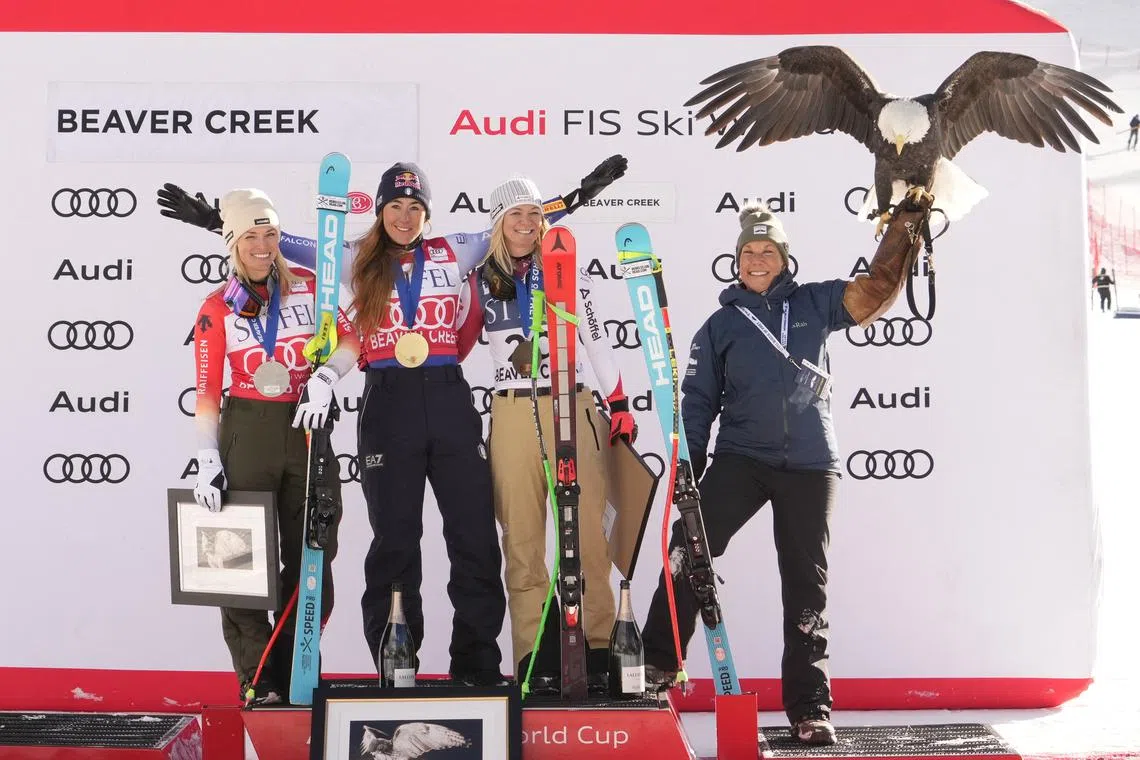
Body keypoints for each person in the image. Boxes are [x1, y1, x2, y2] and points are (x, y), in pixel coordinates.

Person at [159, 156, 627, 686]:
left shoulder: (455, 251)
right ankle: (395, 657)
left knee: (472, 536)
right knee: (395, 540)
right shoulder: (356, 255)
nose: (405, 216)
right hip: (388, 401)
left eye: (415, 206)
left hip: (448, 398)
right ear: (380, 211)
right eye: (395, 207)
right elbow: (277, 243)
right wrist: (212, 222)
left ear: (427, 212)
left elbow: (517, 221)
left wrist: (579, 193)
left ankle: (476, 662)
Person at [639, 193, 934, 745]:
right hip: (742, 458)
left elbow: (872, 293)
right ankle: (657, 669)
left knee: (806, 585)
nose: (757, 259)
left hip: (810, 464)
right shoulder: (721, 324)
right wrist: (689, 466)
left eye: (767, 250)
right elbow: (699, 400)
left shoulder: (818, 302)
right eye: (749, 250)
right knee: (688, 548)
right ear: (736, 258)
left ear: (784, 257)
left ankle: (809, 706)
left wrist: (902, 231)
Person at [465, 175, 638, 694]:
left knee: (587, 533)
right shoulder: (477, 279)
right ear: (497, 222)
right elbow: (455, 340)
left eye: (534, 215)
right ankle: (533, 653)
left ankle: (601, 646)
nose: (525, 224)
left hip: (573, 400)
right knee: (521, 537)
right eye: (514, 214)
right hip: (513, 409)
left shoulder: (566, 269)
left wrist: (620, 401)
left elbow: (597, 339)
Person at [191, 188, 360, 705]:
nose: (263, 245)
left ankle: (294, 669)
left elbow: (352, 341)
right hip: (247, 430)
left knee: (314, 553)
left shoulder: (312, 288)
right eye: (250, 236)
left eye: (270, 233)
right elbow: (206, 390)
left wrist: (328, 375)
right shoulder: (217, 307)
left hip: (307, 427)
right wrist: (207, 456)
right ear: (232, 243)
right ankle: (258, 676)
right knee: (235, 560)